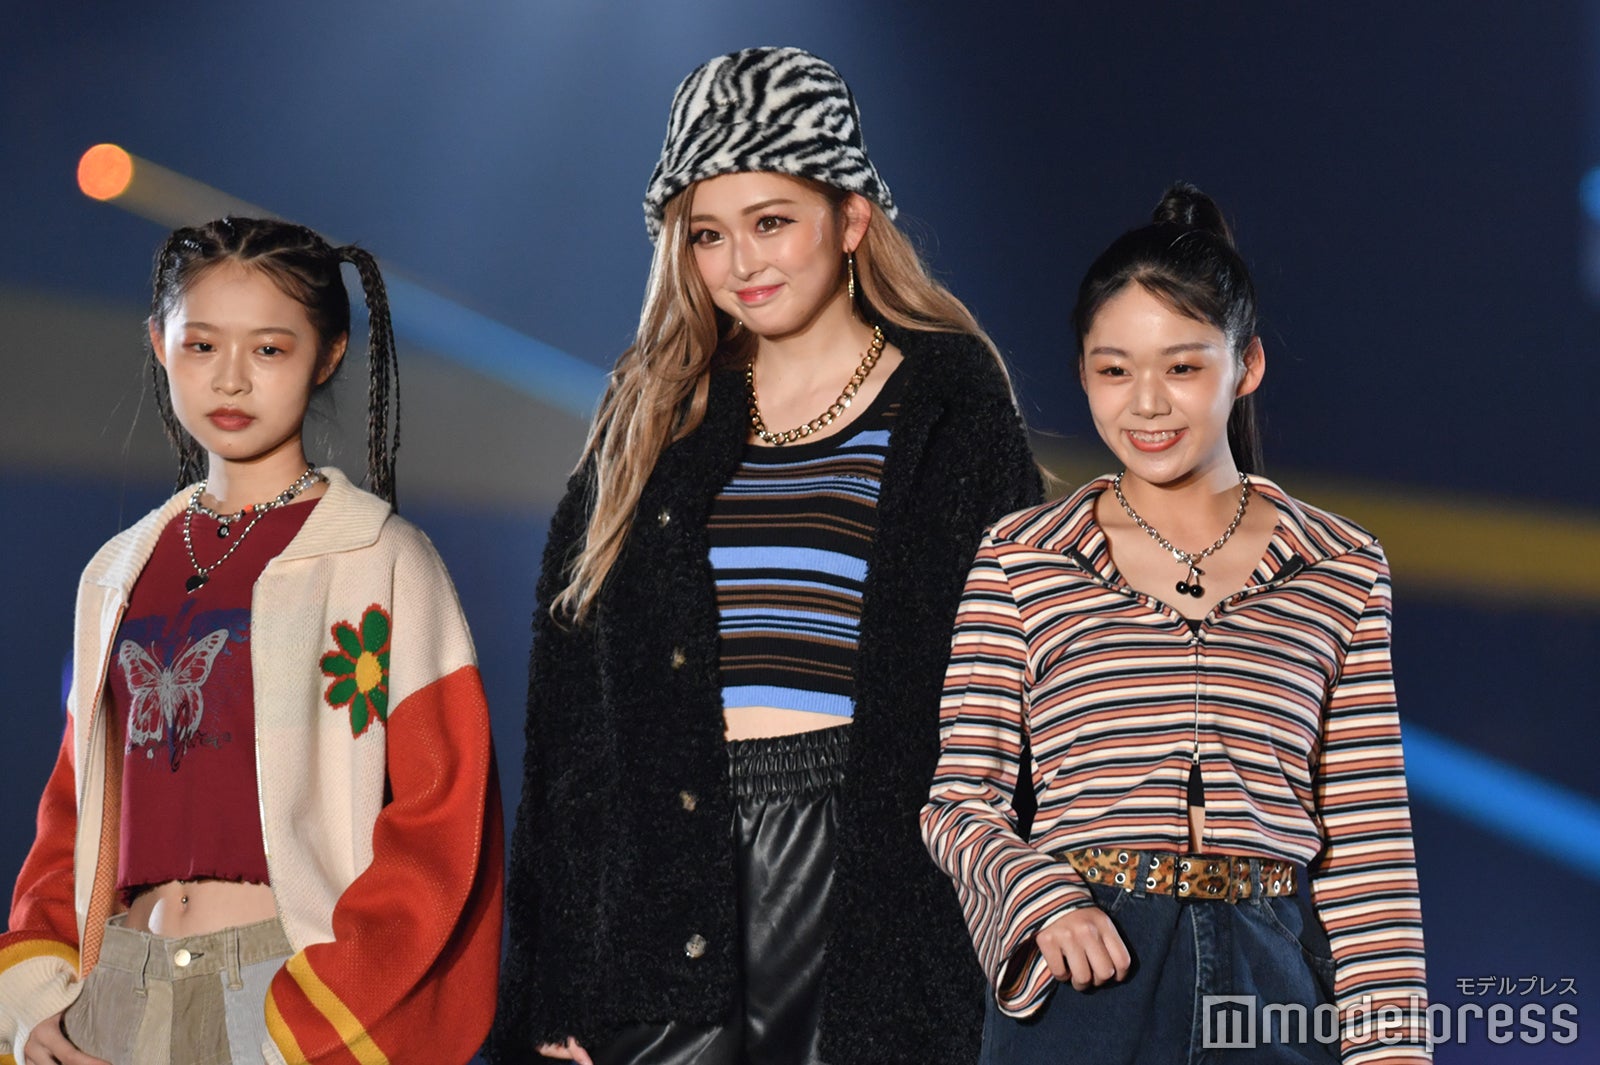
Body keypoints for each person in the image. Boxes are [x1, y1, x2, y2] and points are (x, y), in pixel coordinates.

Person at [492, 46, 1042, 1065]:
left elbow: (1018, 693)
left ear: (851, 219)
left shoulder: (948, 402)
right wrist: (554, 986)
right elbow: (571, 728)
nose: (741, 261)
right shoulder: (650, 411)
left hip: (877, 882)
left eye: (772, 221)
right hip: (666, 892)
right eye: (708, 233)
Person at [922, 185, 1429, 1063]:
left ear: (1246, 365)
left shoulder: (1339, 566)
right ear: (1083, 373)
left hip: (1273, 979)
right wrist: (1042, 900)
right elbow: (960, 800)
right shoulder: (1023, 556)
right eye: (1114, 370)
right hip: (1087, 975)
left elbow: (1369, 846)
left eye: (1183, 367)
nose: (1147, 403)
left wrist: (1394, 1047)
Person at [0, 217, 503, 1065]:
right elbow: (74, 810)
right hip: (113, 995)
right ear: (159, 344)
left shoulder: (375, 556)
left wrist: (320, 1013)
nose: (230, 377)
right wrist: (38, 995)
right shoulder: (116, 571)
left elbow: (442, 820)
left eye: (269, 349)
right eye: (201, 344)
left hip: (283, 997)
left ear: (328, 353)